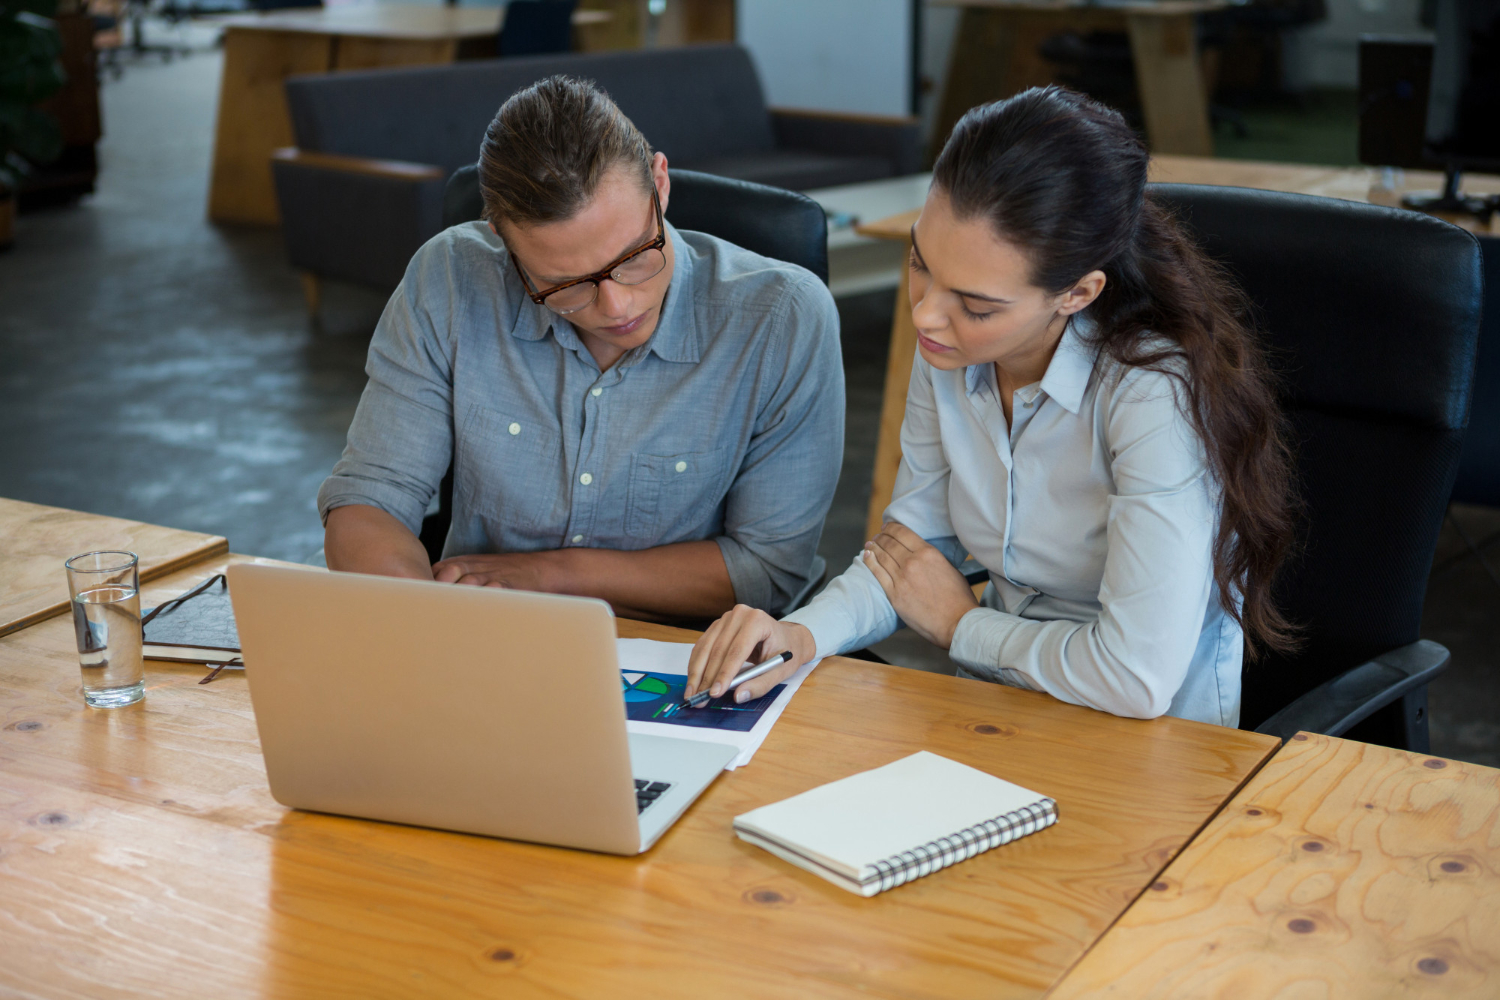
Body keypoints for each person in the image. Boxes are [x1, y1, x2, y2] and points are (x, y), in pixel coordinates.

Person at [685, 87, 1296, 726]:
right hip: (990, 711)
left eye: (976, 306)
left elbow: (1133, 679)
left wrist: (960, 625)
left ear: (1078, 293)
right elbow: (909, 554)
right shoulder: (947, 349)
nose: (926, 314)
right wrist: (800, 636)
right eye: (921, 264)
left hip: (1149, 743)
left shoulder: (1151, 395)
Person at [318, 76, 844, 622]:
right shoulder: (449, 279)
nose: (616, 306)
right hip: (488, 634)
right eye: (564, 284)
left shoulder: (782, 317)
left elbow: (769, 572)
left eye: (637, 256)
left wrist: (551, 576)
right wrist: (421, 617)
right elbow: (370, 499)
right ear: (500, 237)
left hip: (689, 662)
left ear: (659, 186)